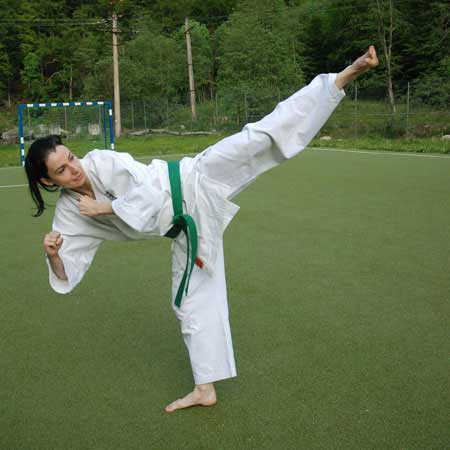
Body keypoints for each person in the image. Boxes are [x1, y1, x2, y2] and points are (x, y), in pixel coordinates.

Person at [25, 47, 378, 413]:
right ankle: (204, 389)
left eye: (71, 157)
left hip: (196, 179)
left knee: (259, 137)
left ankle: (344, 76)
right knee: (191, 303)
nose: (74, 168)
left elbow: (150, 193)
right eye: (62, 170)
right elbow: (68, 272)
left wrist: (107, 207)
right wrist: (54, 256)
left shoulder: (101, 161)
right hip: (185, 230)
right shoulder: (69, 214)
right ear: (48, 182)